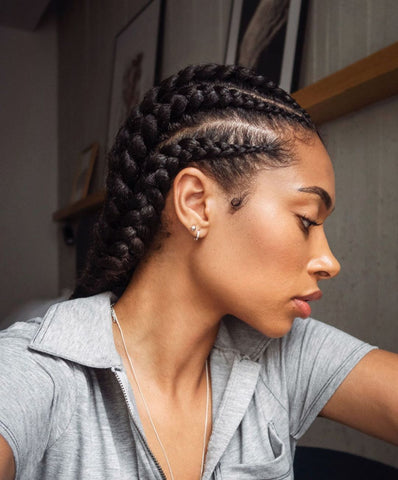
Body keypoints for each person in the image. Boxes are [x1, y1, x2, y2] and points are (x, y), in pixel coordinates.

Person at [0, 63, 397, 480]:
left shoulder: (283, 352)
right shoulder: (37, 372)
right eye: (306, 220)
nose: (329, 262)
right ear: (196, 203)